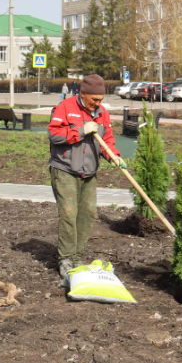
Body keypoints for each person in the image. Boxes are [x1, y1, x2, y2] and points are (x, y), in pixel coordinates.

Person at [48, 74, 124, 280]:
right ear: (83, 94)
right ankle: (65, 259)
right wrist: (81, 130)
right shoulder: (65, 107)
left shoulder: (102, 113)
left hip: (89, 173)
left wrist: (114, 156)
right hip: (64, 170)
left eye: (100, 100)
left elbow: (107, 139)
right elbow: (54, 135)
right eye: (94, 100)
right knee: (69, 214)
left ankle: (76, 257)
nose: (97, 104)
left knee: (88, 214)